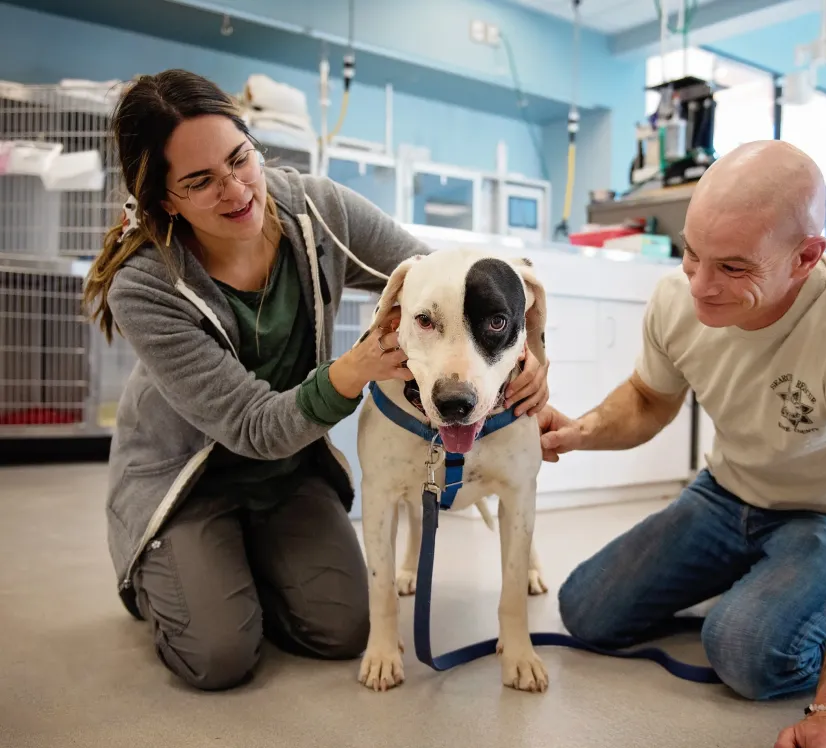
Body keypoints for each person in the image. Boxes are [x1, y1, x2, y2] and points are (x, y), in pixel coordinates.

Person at [82, 69, 549, 692]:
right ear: (165, 199)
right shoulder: (145, 286)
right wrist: (352, 372)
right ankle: (180, 565)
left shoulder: (318, 211)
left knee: (340, 630)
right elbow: (250, 425)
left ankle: (245, 565)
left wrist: (524, 354)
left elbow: (441, 279)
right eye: (200, 181)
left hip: (286, 473)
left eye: (239, 158)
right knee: (219, 657)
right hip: (188, 479)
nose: (237, 189)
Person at [537, 140, 826, 748]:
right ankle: (778, 586)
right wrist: (581, 431)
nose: (700, 287)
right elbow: (647, 399)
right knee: (586, 610)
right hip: (724, 494)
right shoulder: (679, 297)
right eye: (691, 254)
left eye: (733, 268)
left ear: (806, 257)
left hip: (823, 515)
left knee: (744, 652)